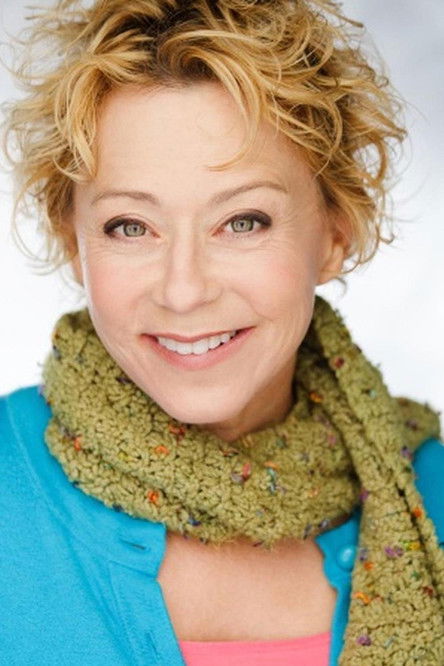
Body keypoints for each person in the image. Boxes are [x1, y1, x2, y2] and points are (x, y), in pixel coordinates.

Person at [1, 1, 443, 664]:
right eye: (131, 226)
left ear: (335, 234)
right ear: (75, 245)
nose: (183, 290)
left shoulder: (429, 493)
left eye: (243, 222)